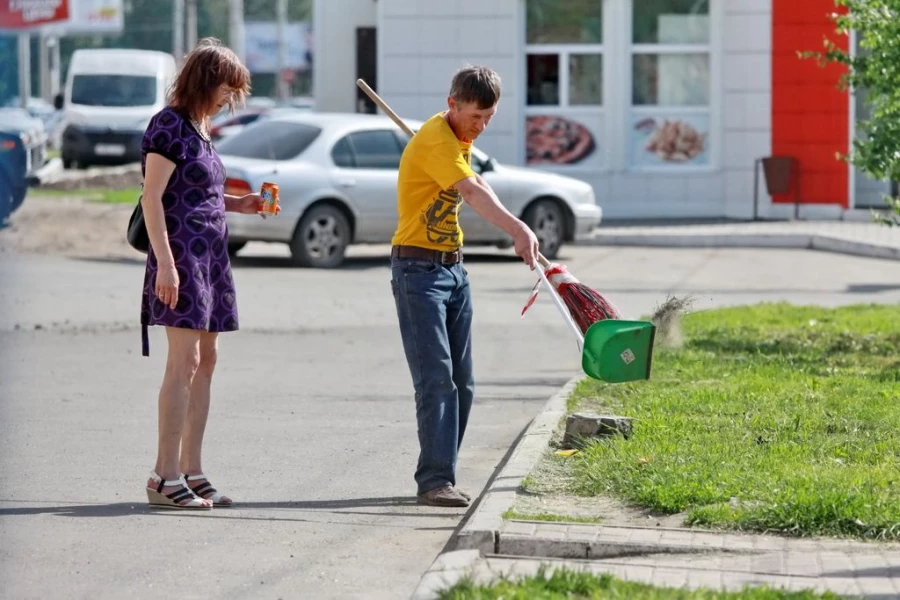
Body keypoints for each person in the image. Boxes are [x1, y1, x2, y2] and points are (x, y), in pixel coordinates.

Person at [390, 65, 541, 507]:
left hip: (454, 271)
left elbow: (473, 183)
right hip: (418, 273)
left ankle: (443, 471)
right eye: (476, 116)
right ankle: (435, 480)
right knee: (437, 381)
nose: (482, 126)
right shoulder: (437, 140)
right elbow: (472, 192)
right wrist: (519, 229)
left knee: (464, 383)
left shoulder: (458, 140)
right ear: (452, 102)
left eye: (489, 118)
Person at [139, 38, 277, 510]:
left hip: (211, 258)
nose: (230, 99)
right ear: (204, 81)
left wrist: (243, 203)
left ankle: (192, 470)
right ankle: (164, 476)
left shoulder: (200, 128)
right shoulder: (168, 126)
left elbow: (202, 194)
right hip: (180, 257)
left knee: (207, 360)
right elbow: (151, 198)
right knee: (184, 363)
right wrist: (167, 264)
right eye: (226, 89)